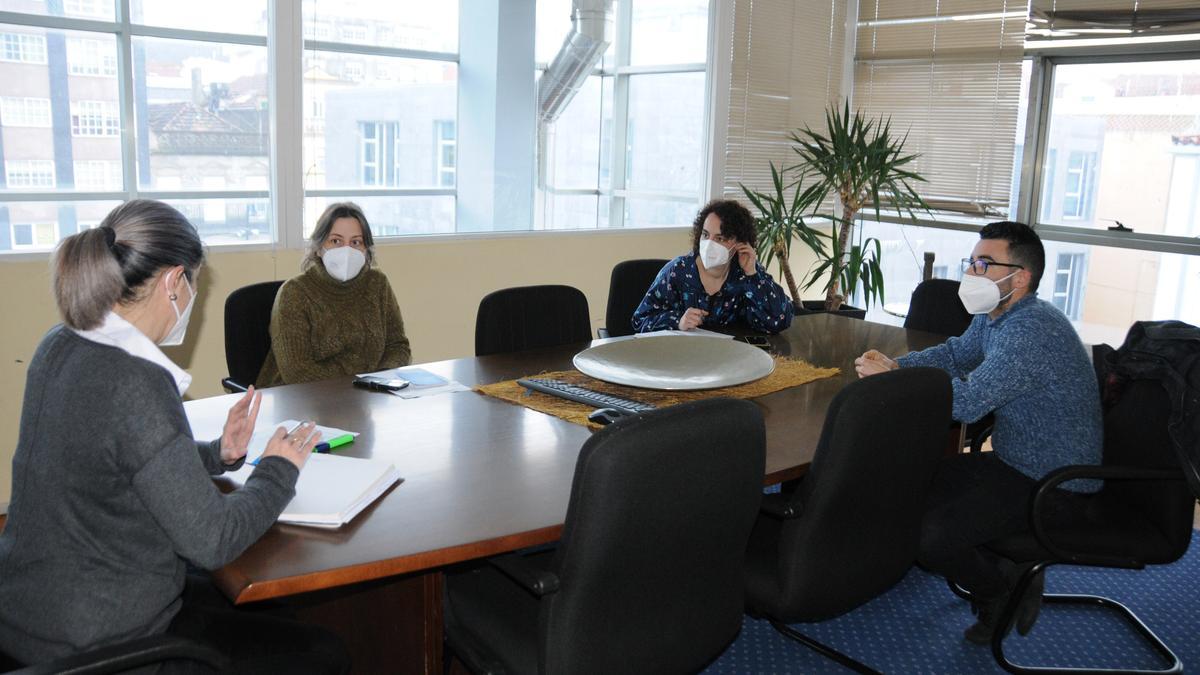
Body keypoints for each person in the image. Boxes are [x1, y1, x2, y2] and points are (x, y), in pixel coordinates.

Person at [0, 200, 349, 673]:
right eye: (194, 285)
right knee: (325, 653)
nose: (192, 300)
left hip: (28, 613)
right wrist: (279, 468)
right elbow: (215, 539)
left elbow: (121, 460)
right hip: (101, 646)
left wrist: (217, 454)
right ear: (172, 282)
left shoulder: (59, 344)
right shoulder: (136, 380)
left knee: (256, 601)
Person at [854, 221, 1102, 644]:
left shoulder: (1031, 330)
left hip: (1056, 485)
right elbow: (956, 354)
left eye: (984, 264)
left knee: (928, 536)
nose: (971, 273)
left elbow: (968, 403)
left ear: (1019, 277)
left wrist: (897, 384)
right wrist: (899, 367)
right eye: (972, 262)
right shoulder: (999, 315)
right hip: (1014, 463)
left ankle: (1002, 591)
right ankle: (1004, 564)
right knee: (905, 486)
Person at [256, 202, 411, 387]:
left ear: (366, 249)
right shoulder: (294, 293)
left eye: (356, 242)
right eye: (336, 241)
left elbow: (398, 346)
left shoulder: (377, 284)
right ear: (319, 247)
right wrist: (359, 381)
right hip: (297, 400)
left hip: (365, 398)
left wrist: (378, 382)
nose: (346, 251)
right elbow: (298, 373)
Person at [631, 199, 794, 334]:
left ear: (739, 242)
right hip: (680, 361)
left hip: (730, 361)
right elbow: (640, 321)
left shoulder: (746, 272)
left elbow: (779, 321)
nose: (709, 244)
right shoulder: (677, 271)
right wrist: (678, 321)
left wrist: (752, 274)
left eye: (720, 238)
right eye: (706, 235)